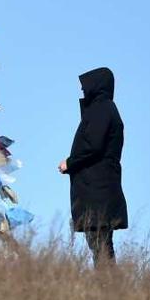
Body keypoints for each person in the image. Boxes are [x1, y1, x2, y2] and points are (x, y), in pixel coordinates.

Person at [59, 66, 128, 267]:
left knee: (100, 243)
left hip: (98, 191)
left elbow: (93, 145)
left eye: (86, 87)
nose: (83, 91)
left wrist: (70, 163)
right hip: (99, 190)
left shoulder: (102, 109)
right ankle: (107, 285)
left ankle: (107, 285)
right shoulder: (105, 109)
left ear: (97, 86)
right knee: (101, 243)